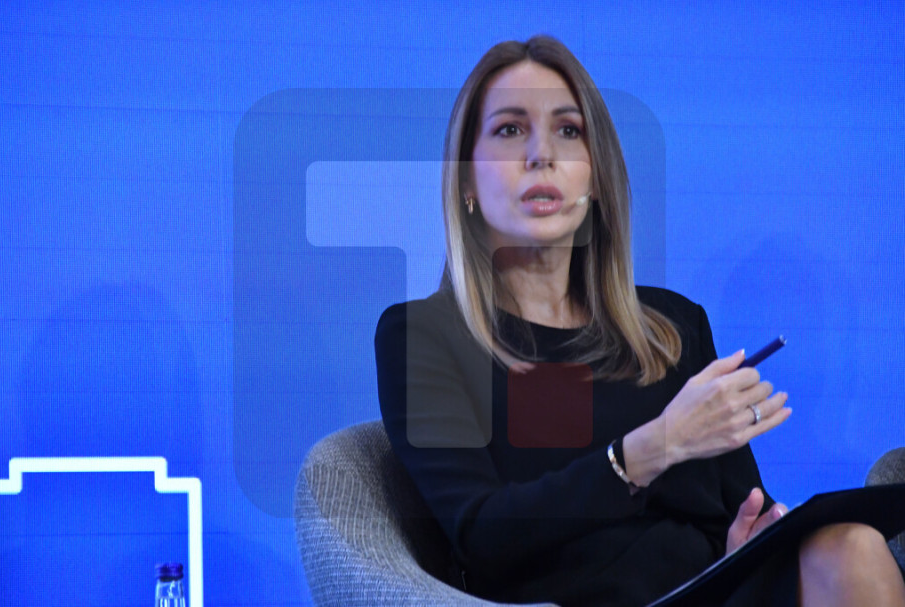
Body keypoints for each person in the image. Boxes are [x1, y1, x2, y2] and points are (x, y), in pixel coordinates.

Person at [374, 35, 905, 606]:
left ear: (595, 178)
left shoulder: (672, 327)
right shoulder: (423, 335)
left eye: (568, 131)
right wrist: (654, 446)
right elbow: (482, 535)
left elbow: (742, 506)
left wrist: (749, 536)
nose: (541, 153)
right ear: (466, 183)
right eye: (509, 130)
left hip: (714, 591)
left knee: (851, 546)